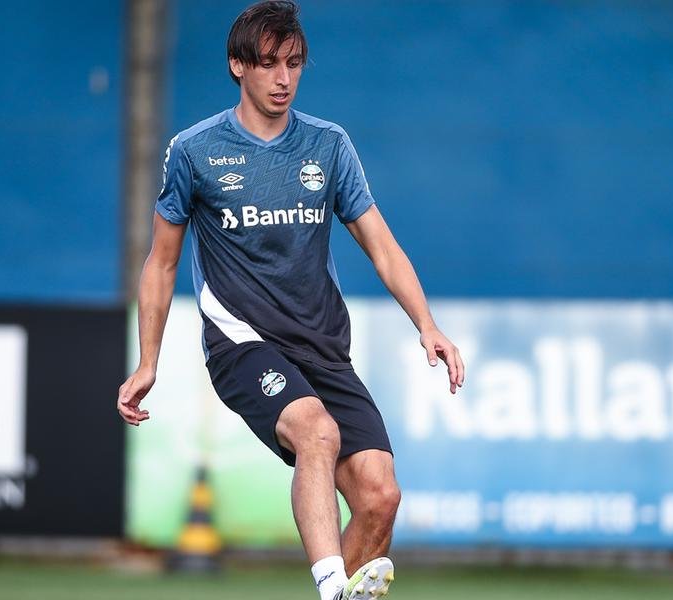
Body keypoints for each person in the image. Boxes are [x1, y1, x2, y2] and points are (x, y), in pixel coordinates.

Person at [116, 1, 464, 599]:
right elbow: (162, 261)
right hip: (243, 344)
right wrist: (149, 360)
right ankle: (332, 588)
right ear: (237, 66)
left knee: (381, 498)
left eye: (294, 63)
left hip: (324, 348)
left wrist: (427, 324)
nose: (284, 78)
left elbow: (381, 246)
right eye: (270, 63)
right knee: (317, 433)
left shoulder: (329, 146)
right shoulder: (196, 151)